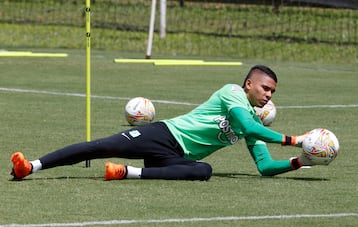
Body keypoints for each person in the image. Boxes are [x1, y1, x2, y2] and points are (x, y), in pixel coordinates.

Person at [10, 64, 313, 181]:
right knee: (100, 146)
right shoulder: (232, 93)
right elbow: (248, 128)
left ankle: (127, 173)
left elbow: (264, 167)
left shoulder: (253, 118)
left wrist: (301, 159)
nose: (269, 95)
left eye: (273, 92)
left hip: (175, 158)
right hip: (164, 135)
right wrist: (293, 139)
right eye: (265, 89)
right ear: (249, 84)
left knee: (204, 171)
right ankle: (31, 166)